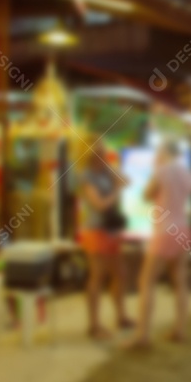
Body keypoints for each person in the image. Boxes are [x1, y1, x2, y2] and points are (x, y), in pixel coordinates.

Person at [129, 142, 191, 348]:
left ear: (164, 152)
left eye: (158, 152)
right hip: (182, 227)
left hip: (164, 230)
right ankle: (180, 329)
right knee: (180, 280)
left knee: (147, 281)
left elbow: (146, 195)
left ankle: (142, 335)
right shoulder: (185, 171)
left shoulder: (161, 171)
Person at [78, 145, 133, 340]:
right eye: (100, 152)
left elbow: (127, 180)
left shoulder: (106, 172)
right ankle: (93, 325)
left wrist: (112, 170)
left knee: (121, 273)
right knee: (97, 276)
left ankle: (121, 316)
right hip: (95, 230)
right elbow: (99, 204)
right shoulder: (87, 176)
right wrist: (116, 191)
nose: (104, 154)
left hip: (111, 230)